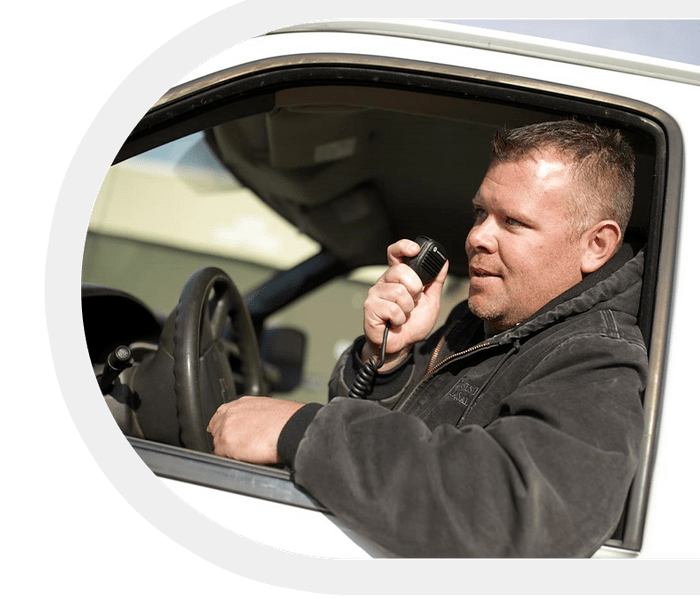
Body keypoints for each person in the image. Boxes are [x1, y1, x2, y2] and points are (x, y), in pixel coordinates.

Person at [207, 119, 647, 559]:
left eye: (512, 222)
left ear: (597, 245)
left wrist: (301, 432)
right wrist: (390, 358)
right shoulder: (481, 321)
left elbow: (520, 517)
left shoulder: (597, 358)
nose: (477, 237)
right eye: (481, 213)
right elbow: (405, 432)